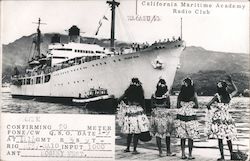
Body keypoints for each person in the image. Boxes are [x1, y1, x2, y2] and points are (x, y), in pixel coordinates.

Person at [206, 75, 238, 161]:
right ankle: (231, 155)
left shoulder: (217, 96)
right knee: (228, 137)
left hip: (219, 118)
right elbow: (236, 90)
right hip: (227, 118)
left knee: (220, 138)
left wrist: (211, 111)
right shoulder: (229, 96)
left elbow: (208, 105)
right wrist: (232, 82)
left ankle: (222, 157)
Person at [117, 78, 150, 154]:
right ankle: (134, 149)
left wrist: (125, 104)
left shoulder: (128, 91)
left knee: (129, 131)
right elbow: (143, 102)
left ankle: (128, 148)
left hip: (129, 111)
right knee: (137, 131)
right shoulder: (140, 91)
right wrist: (144, 112)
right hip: (138, 111)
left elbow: (119, 99)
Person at [150, 79, 176, 157]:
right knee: (167, 133)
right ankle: (168, 151)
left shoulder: (153, 95)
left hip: (156, 115)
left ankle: (160, 152)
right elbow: (168, 105)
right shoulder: (166, 96)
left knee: (158, 134)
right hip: (165, 115)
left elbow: (152, 106)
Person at [175, 77, 199, 160]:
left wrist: (183, 105)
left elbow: (177, 106)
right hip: (191, 116)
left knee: (183, 137)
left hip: (181, 116)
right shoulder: (193, 94)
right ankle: (190, 154)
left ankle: (182, 154)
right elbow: (197, 106)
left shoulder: (180, 94)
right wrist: (190, 105)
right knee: (190, 137)